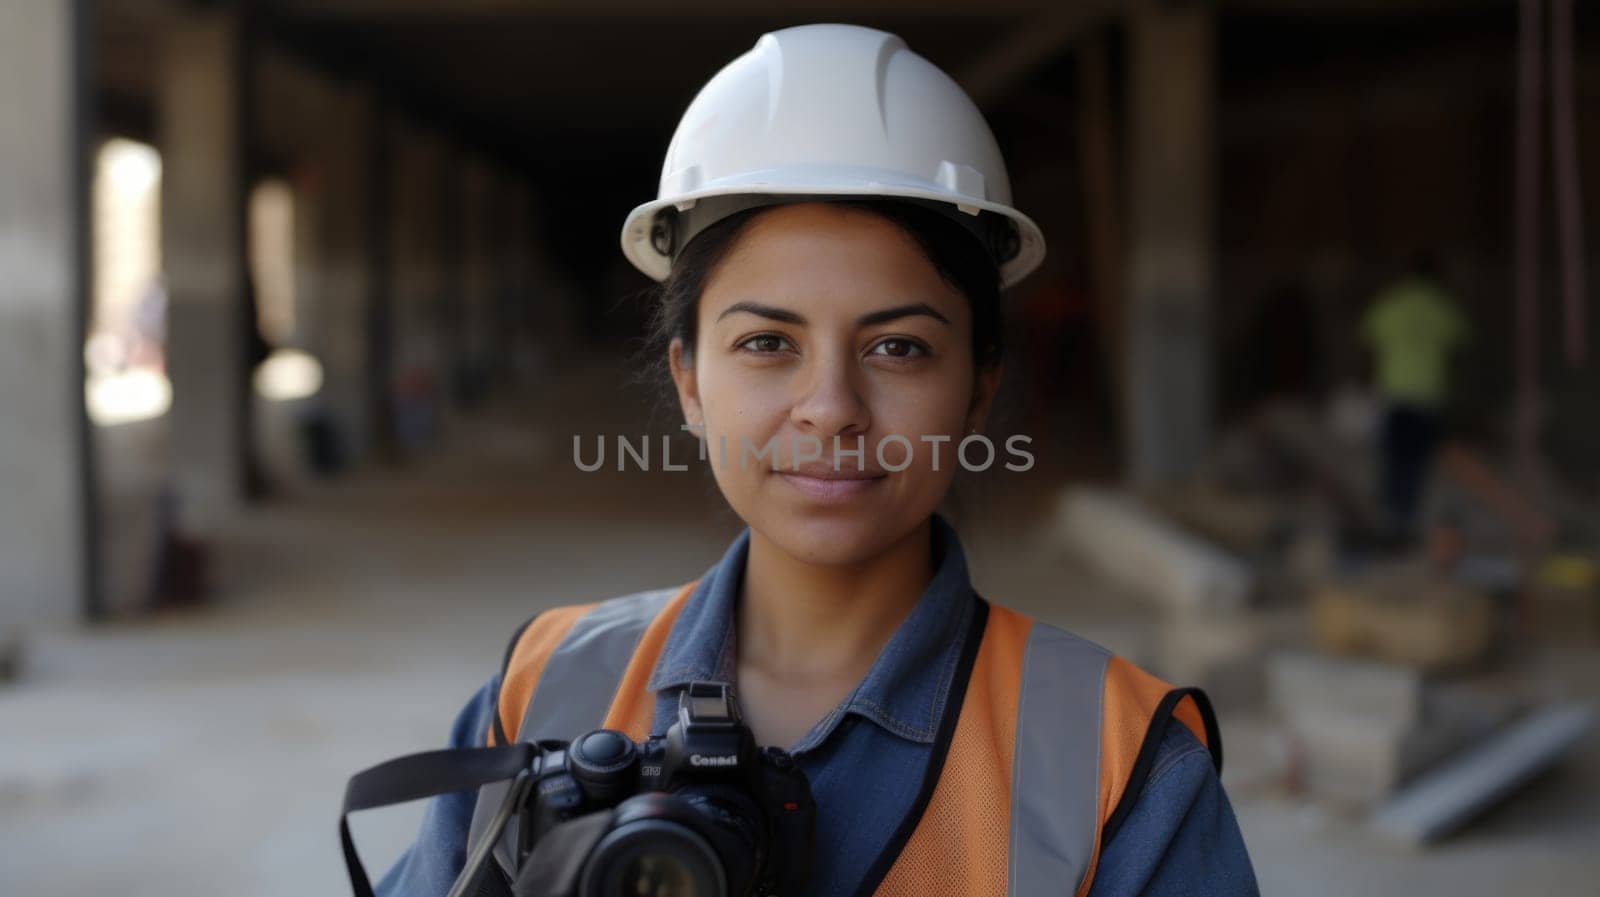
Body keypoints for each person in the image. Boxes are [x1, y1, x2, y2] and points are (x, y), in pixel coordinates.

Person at [372, 24, 1257, 897]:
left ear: (980, 388)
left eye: (899, 348)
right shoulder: (548, 685)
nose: (830, 407)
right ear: (688, 379)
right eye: (766, 341)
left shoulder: (1118, 758)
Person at [1362, 252, 1471, 535]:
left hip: (1395, 394)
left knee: (1392, 459)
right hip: (1427, 396)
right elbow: (1460, 344)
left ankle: (1390, 519)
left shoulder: (1392, 302)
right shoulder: (1441, 306)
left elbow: (1369, 339)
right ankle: (1408, 520)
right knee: (1416, 463)